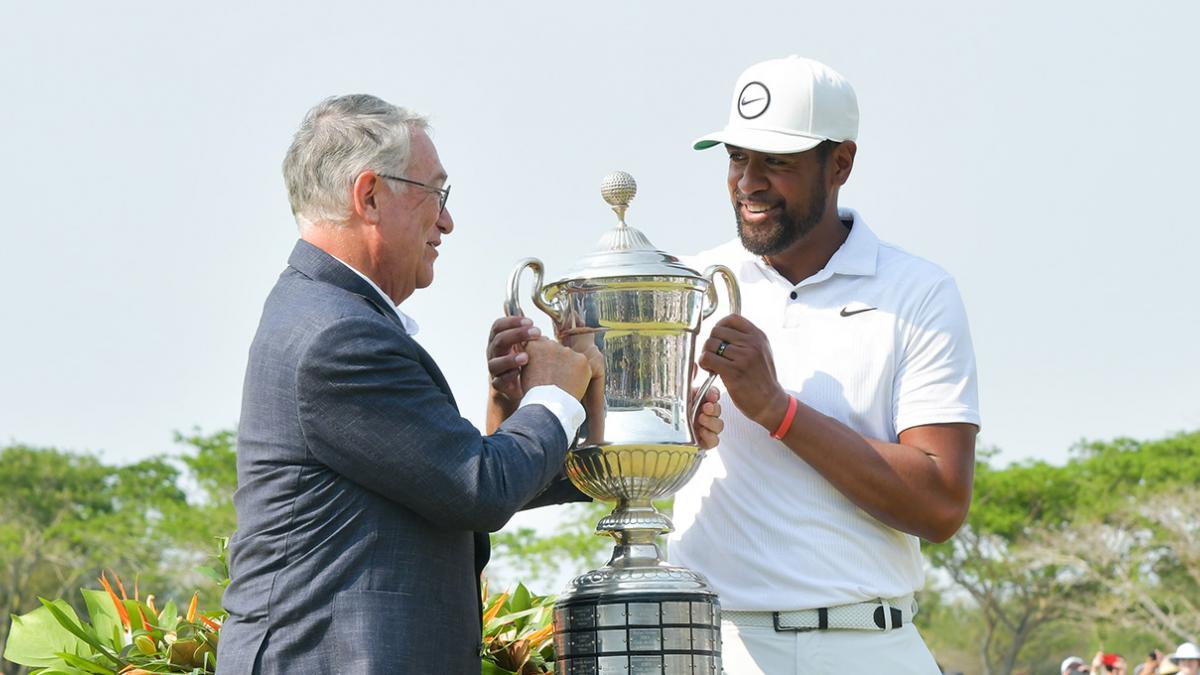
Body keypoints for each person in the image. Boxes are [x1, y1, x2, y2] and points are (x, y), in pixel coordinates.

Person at [215, 94, 599, 674]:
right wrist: (555, 396)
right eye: (435, 194)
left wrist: (518, 412)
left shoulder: (327, 316)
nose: (447, 221)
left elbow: (451, 487)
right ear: (369, 195)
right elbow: (480, 489)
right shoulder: (339, 338)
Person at [667, 56, 981, 674]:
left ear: (840, 163)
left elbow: (941, 505)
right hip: (714, 649)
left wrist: (777, 411)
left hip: (868, 644)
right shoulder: (685, 286)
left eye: (776, 162)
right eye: (736, 157)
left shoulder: (918, 292)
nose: (748, 182)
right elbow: (618, 460)